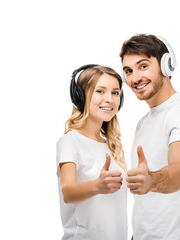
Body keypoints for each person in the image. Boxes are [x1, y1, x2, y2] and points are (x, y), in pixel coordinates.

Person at [120, 34, 180, 240]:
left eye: (143, 66)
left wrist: (151, 180)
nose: (135, 78)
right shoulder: (143, 122)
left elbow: (179, 174)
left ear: (166, 65)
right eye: (128, 70)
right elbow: (149, 202)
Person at [56, 64, 128, 240]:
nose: (110, 99)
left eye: (115, 92)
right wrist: (97, 185)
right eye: (100, 91)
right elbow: (68, 192)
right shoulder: (70, 141)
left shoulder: (112, 147)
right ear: (80, 97)